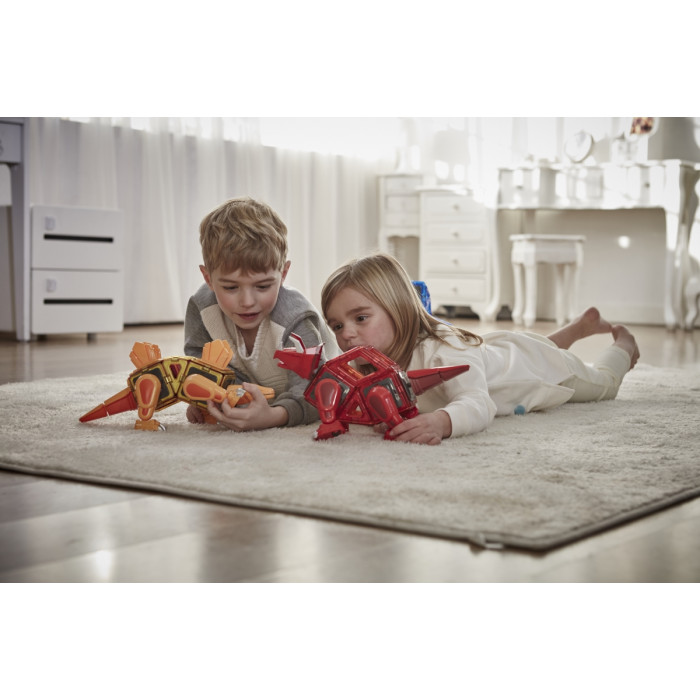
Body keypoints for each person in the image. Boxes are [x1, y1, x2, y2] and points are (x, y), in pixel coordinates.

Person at [321, 252, 640, 446]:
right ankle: (579, 328)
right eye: (336, 326)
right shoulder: (366, 360)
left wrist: (442, 422)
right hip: (504, 354)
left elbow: (478, 402)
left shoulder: (443, 349)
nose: (346, 334)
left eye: (360, 318)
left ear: (399, 307)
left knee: (604, 385)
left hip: (543, 373)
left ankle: (624, 345)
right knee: (533, 350)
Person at [184, 196, 339, 430]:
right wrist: (208, 395)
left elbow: (317, 391)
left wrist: (274, 416)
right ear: (208, 278)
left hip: (306, 389)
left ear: (283, 274)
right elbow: (199, 360)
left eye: (263, 286)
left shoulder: (295, 319)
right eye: (231, 287)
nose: (247, 302)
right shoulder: (202, 307)